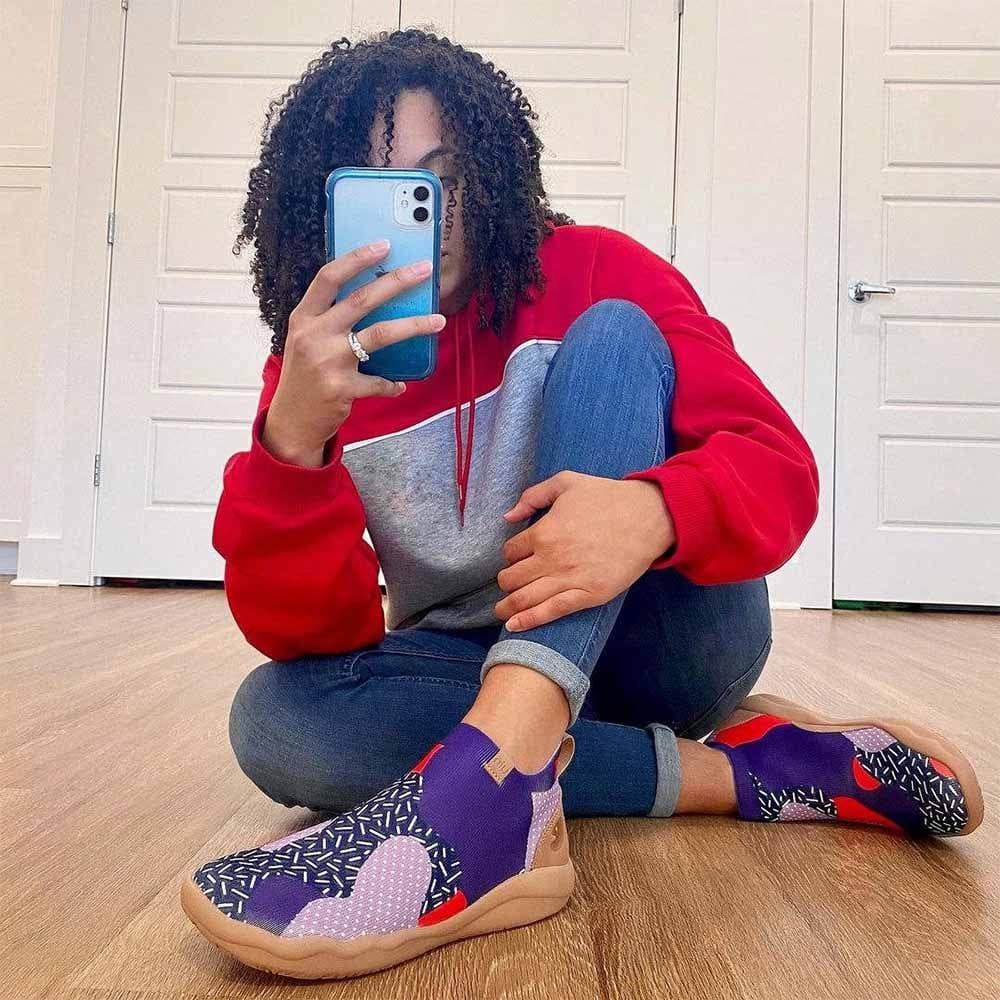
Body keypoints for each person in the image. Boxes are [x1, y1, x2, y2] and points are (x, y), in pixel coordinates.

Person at [179, 29, 984, 980]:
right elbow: (315, 637)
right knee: (278, 721)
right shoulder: (316, 367)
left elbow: (782, 471)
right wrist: (291, 446)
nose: (427, 221)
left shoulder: (597, 267)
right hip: (469, 669)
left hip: (663, 640)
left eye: (445, 180)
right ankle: (730, 771)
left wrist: (654, 512)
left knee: (614, 336)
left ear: (494, 173)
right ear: (323, 209)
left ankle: (497, 787)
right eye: (383, 191)